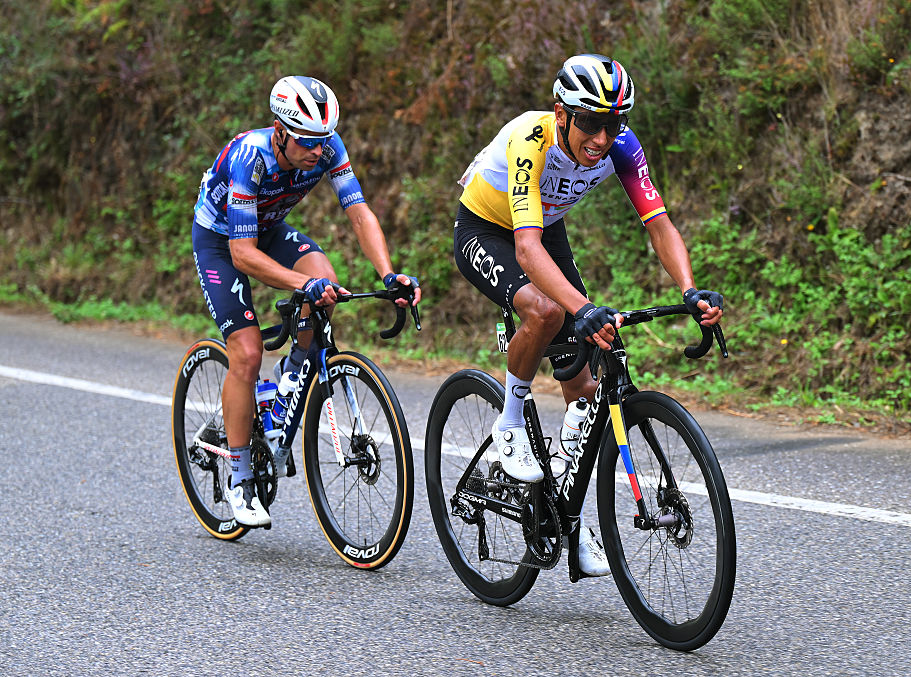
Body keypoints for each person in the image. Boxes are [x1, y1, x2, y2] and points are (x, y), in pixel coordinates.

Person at [453, 54, 724, 577]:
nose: (602, 137)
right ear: (562, 114)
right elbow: (528, 253)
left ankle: (563, 515)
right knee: (546, 311)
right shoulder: (531, 139)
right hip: (487, 228)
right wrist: (582, 307)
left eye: (614, 123)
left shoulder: (621, 146)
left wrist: (689, 290)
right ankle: (510, 421)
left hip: (543, 225)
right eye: (592, 122)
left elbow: (659, 223)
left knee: (587, 374)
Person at [191, 75, 420, 528]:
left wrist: (387, 274)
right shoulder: (249, 157)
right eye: (306, 142)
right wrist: (300, 284)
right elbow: (242, 253)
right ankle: (239, 479)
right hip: (221, 241)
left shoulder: (329, 147)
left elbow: (359, 215)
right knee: (248, 352)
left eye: (323, 139)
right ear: (279, 132)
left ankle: (286, 383)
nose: (318, 151)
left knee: (326, 284)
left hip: (269, 229)